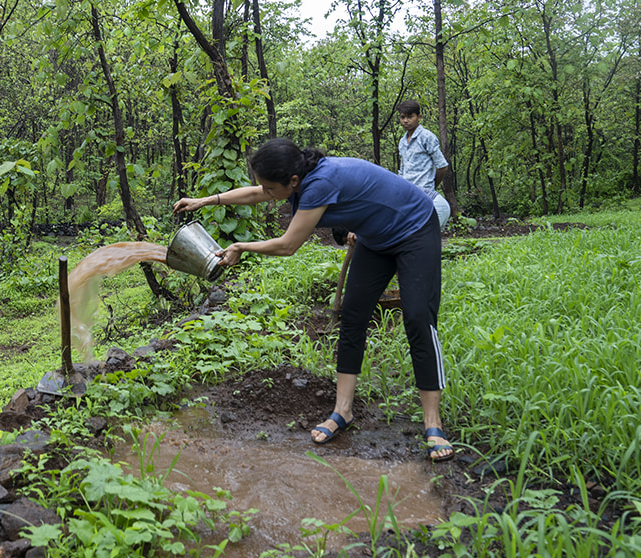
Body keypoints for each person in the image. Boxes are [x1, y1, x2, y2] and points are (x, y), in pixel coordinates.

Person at [173, 139, 454, 461]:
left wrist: (241, 246)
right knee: (352, 315)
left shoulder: (320, 183)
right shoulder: (298, 176)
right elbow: (256, 193)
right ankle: (343, 410)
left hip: (414, 228)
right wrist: (204, 201)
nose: (266, 192)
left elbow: (288, 245)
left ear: (293, 181)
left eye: (271, 186)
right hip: (376, 238)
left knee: (418, 317)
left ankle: (433, 423)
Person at [396, 100, 451, 230]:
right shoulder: (402, 142)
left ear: (419, 117)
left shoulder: (427, 137)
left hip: (425, 194)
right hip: (408, 196)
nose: (405, 121)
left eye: (410, 117)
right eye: (402, 117)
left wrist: (432, 186)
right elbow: (403, 170)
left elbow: (442, 166)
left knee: (425, 231)